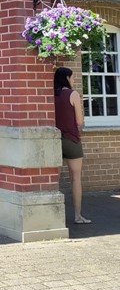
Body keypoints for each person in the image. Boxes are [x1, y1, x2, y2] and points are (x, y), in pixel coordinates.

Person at [54, 66, 91, 224]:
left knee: (53, 179)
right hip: (71, 139)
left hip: (54, 139)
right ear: (67, 78)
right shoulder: (73, 94)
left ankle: (54, 216)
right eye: (73, 77)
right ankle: (77, 216)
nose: (74, 80)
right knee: (75, 178)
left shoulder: (50, 95)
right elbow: (79, 121)